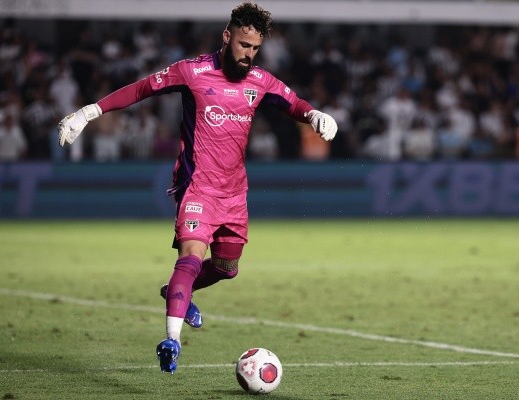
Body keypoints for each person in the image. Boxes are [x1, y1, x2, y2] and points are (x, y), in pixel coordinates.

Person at [56, 2, 337, 374]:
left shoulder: (261, 81)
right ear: (227, 37)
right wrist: (89, 112)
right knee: (189, 256)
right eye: (243, 45)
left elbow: (293, 103)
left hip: (235, 193)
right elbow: (142, 89)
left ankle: (176, 293)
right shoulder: (193, 72)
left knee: (226, 268)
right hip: (197, 186)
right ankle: (171, 340)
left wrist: (314, 114)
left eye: (254, 49)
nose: (248, 55)